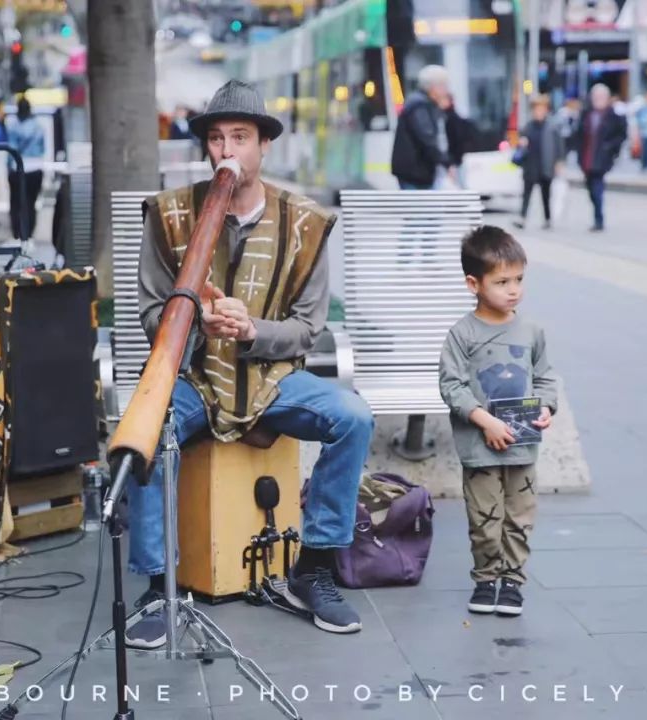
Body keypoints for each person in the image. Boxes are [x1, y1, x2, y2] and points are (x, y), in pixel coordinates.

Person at [127, 79, 373, 649]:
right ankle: (159, 586)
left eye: (241, 137)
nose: (227, 151)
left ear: (264, 145)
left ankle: (312, 569)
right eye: (216, 139)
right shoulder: (168, 216)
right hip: (193, 377)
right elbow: (146, 314)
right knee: (146, 434)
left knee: (352, 418)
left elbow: (309, 329)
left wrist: (252, 330)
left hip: (273, 380)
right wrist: (191, 321)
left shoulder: (306, 224)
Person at [438, 226, 560, 617]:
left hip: (522, 445)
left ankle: (512, 581)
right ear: (473, 283)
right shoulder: (462, 334)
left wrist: (546, 407)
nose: (514, 290)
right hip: (480, 447)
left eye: (519, 280)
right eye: (502, 281)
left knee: (520, 516)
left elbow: (544, 376)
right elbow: (451, 385)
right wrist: (484, 421)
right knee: (484, 517)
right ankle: (487, 578)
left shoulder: (531, 331)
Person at [391, 65, 459, 190]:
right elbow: (427, 138)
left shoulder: (423, 104)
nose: (446, 90)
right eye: (444, 86)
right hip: (415, 174)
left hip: (418, 172)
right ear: (434, 88)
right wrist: (447, 162)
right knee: (421, 208)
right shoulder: (419, 107)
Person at [570, 84, 626, 232]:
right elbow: (577, 134)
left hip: (602, 158)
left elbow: (621, 135)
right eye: (596, 97)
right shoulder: (586, 114)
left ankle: (599, 218)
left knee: (597, 187)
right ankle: (597, 213)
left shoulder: (614, 115)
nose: (598, 100)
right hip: (587, 156)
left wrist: (611, 148)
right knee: (590, 187)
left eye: (602, 97)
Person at [514, 95, 564, 230]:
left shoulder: (552, 127)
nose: (538, 112)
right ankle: (522, 217)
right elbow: (520, 145)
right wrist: (522, 143)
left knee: (546, 195)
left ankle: (547, 219)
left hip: (545, 165)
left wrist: (559, 162)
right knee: (526, 194)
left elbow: (559, 146)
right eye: (536, 109)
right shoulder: (528, 127)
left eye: (541, 109)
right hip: (530, 166)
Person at [6, 98, 45, 242]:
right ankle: (29, 234)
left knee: (16, 202)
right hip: (35, 167)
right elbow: (42, 147)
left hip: (18, 168)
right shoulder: (38, 126)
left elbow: (12, 149)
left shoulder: (13, 126)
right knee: (31, 203)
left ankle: (17, 233)